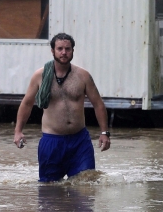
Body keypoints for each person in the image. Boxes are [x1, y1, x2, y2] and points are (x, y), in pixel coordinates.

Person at [13, 32, 111, 182]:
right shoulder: (40, 76)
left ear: (73, 51)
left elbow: (98, 104)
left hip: (80, 141)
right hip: (52, 141)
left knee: (85, 187)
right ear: (52, 51)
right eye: (60, 49)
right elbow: (27, 103)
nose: (64, 52)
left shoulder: (83, 76)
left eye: (68, 49)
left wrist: (104, 132)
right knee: (49, 191)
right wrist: (18, 131)